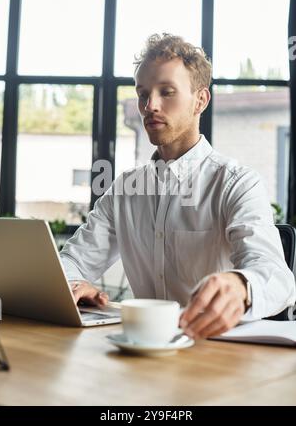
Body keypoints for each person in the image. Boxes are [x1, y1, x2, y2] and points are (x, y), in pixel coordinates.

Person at [60, 33, 296, 339]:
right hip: (140, 348)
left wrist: (240, 285)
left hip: (217, 356)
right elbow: (72, 261)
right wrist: (73, 284)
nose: (150, 106)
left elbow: (276, 277)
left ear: (200, 100)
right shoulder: (124, 191)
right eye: (143, 94)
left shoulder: (237, 183)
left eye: (166, 92)